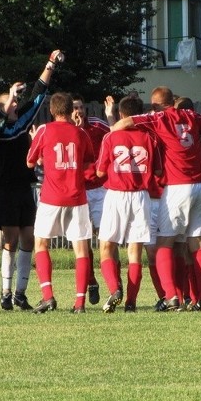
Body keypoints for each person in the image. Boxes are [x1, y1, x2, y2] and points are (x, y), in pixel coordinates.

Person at [112, 86, 201, 311]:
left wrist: (112, 132)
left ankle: (171, 296)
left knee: (163, 244)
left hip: (178, 186)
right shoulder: (190, 116)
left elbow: (124, 123)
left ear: (158, 104)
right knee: (197, 243)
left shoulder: (158, 117)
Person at [0, 50, 62, 311]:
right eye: (10, 103)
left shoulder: (20, 123)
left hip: (23, 188)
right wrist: (8, 96)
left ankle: (20, 293)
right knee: (10, 239)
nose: (16, 104)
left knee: (29, 238)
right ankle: (5, 292)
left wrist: (50, 64)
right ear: (0, 109)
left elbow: (39, 94)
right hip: (5, 189)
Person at [27, 92, 95, 313]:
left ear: (52, 110)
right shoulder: (81, 133)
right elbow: (88, 162)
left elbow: (30, 161)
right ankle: (79, 302)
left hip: (51, 197)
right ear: (70, 110)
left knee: (41, 243)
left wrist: (39, 149)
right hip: (77, 197)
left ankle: (48, 296)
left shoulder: (45, 130)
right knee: (81, 249)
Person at [96, 96, 162, 312]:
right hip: (141, 196)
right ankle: (131, 303)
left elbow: (99, 171)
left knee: (106, 246)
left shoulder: (110, 137)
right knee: (135, 251)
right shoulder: (149, 138)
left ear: (121, 115)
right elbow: (158, 170)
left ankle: (115, 289)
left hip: (117, 194)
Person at [71, 93, 110, 305]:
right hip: (79, 191)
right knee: (83, 241)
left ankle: (115, 286)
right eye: (75, 108)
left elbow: (115, 134)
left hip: (100, 188)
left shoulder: (96, 125)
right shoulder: (67, 131)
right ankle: (92, 281)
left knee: (106, 238)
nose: (78, 112)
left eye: (81, 107)